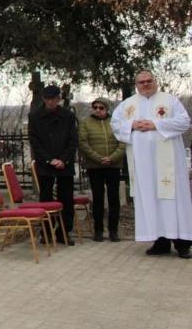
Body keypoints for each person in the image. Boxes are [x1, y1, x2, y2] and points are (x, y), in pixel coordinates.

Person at [111, 70, 192, 258]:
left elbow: (184, 122)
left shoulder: (170, 101)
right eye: (141, 82)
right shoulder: (128, 104)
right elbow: (115, 125)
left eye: (149, 81)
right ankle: (160, 242)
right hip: (143, 165)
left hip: (169, 165)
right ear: (136, 85)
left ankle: (183, 244)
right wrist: (131, 125)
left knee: (174, 200)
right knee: (151, 199)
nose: (145, 84)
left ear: (155, 82)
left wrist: (155, 124)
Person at [28, 85, 78, 246]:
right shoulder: (35, 116)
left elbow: (73, 140)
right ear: (44, 99)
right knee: (46, 199)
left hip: (65, 164)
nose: (50, 102)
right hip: (45, 165)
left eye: (54, 99)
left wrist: (63, 160)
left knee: (66, 200)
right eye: (48, 99)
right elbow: (35, 142)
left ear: (59, 99)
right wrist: (49, 160)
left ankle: (64, 232)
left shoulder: (68, 116)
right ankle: (46, 232)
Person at [78, 97, 125, 242]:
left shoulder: (116, 122)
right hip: (95, 166)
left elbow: (123, 141)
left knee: (113, 199)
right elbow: (83, 142)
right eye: (95, 107)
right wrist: (99, 158)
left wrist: (112, 157)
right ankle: (98, 230)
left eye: (101, 107)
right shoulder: (86, 123)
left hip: (113, 165)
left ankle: (113, 231)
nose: (98, 110)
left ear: (106, 109)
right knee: (97, 198)